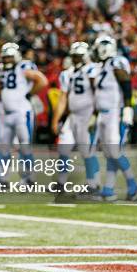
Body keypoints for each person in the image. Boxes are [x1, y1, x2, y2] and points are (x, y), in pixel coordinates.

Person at [90, 34, 137, 201]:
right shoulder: (102, 66)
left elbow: (126, 82)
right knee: (109, 153)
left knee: (115, 151)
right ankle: (109, 188)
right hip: (103, 114)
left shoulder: (116, 62)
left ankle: (132, 182)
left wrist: (128, 109)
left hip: (115, 113)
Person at [0, 43, 48, 184]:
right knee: (4, 146)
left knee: (24, 146)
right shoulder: (3, 70)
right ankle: (2, 178)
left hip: (22, 113)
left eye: (9, 58)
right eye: (4, 58)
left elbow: (42, 81)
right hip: (7, 114)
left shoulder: (23, 67)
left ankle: (29, 178)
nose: (6, 61)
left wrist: (29, 94)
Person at [51, 43, 100, 194]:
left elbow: (98, 92)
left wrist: (96, 114)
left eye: (78, 56)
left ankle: (93, 184)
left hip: (87, 115)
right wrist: (56, 119)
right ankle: (61, 182)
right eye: (73, 56)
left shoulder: (92, 69)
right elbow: (63, 98)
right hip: (72, 116)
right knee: (63, 147)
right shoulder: (67, 73)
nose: (75, 59)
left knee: (87, 151)